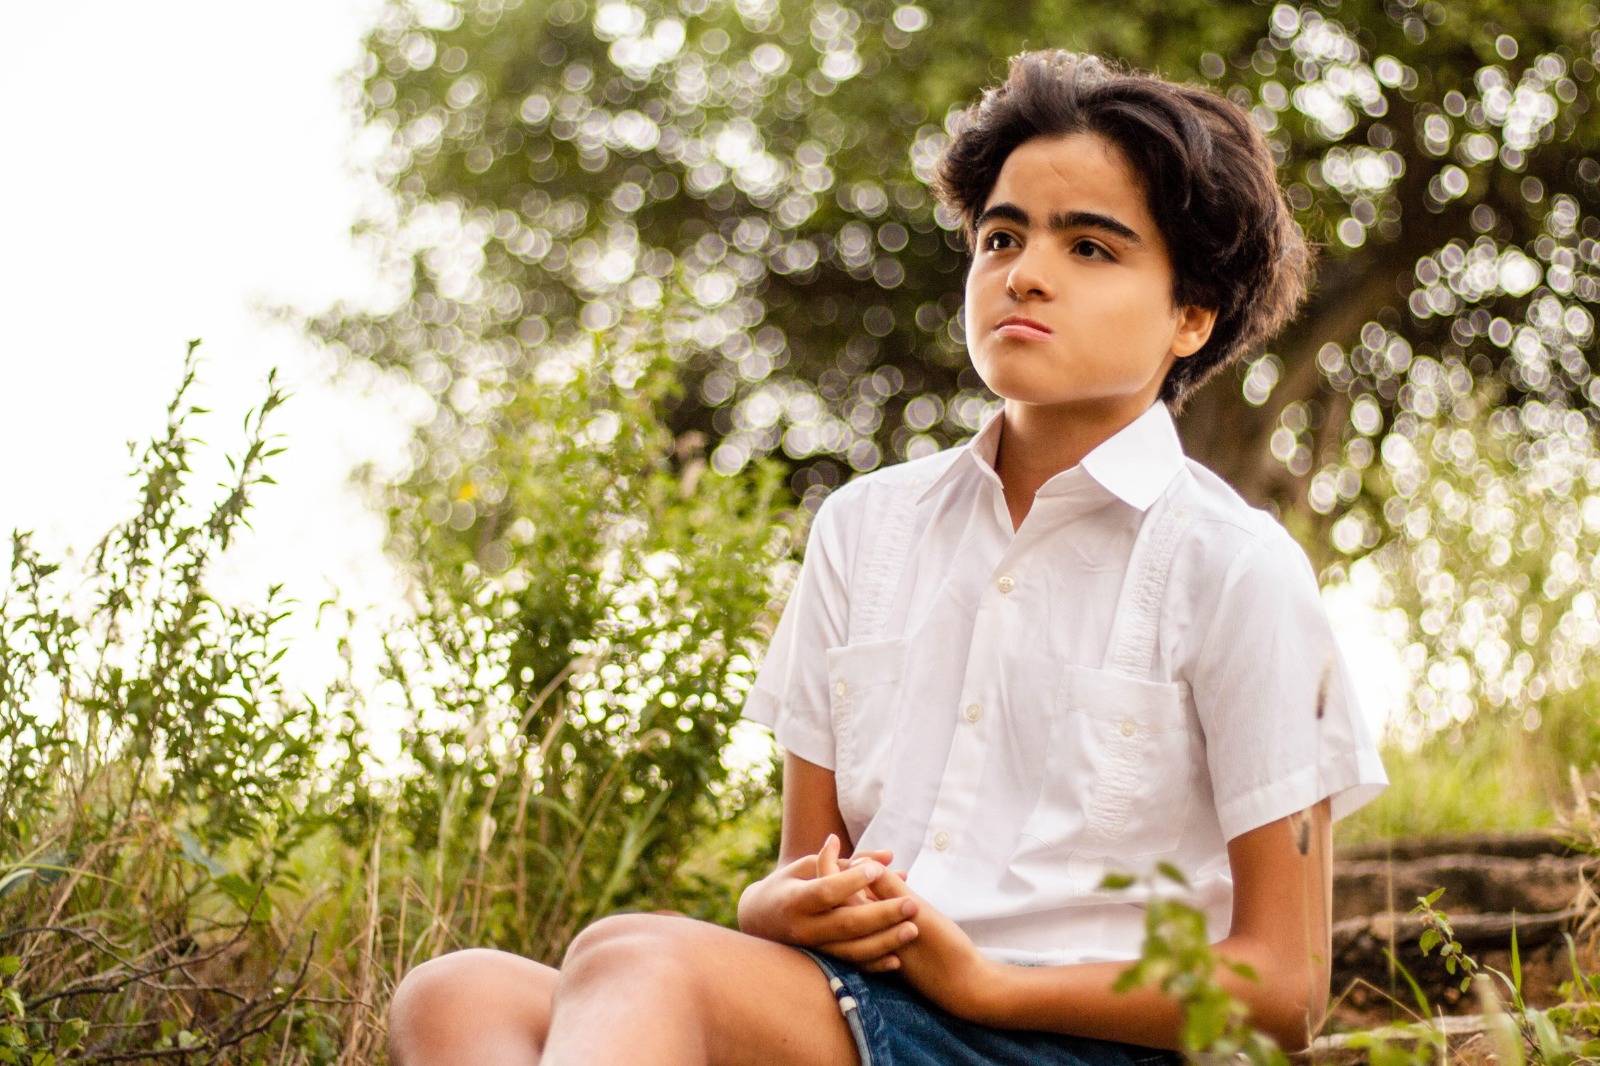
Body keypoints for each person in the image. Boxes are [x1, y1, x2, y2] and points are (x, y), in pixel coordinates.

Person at [385, 50, 1388, 1066]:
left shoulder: (1235, 568)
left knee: (637, 961)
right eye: (1002, 236)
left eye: (1091, 247)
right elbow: (801, 874)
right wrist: (778, 901)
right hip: (864, 1009)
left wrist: (989, 981)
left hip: (1073, 1042)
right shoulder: (867, 528)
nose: (1025, 272)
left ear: (1189, 315)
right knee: (455, 994)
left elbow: (1286, 989)